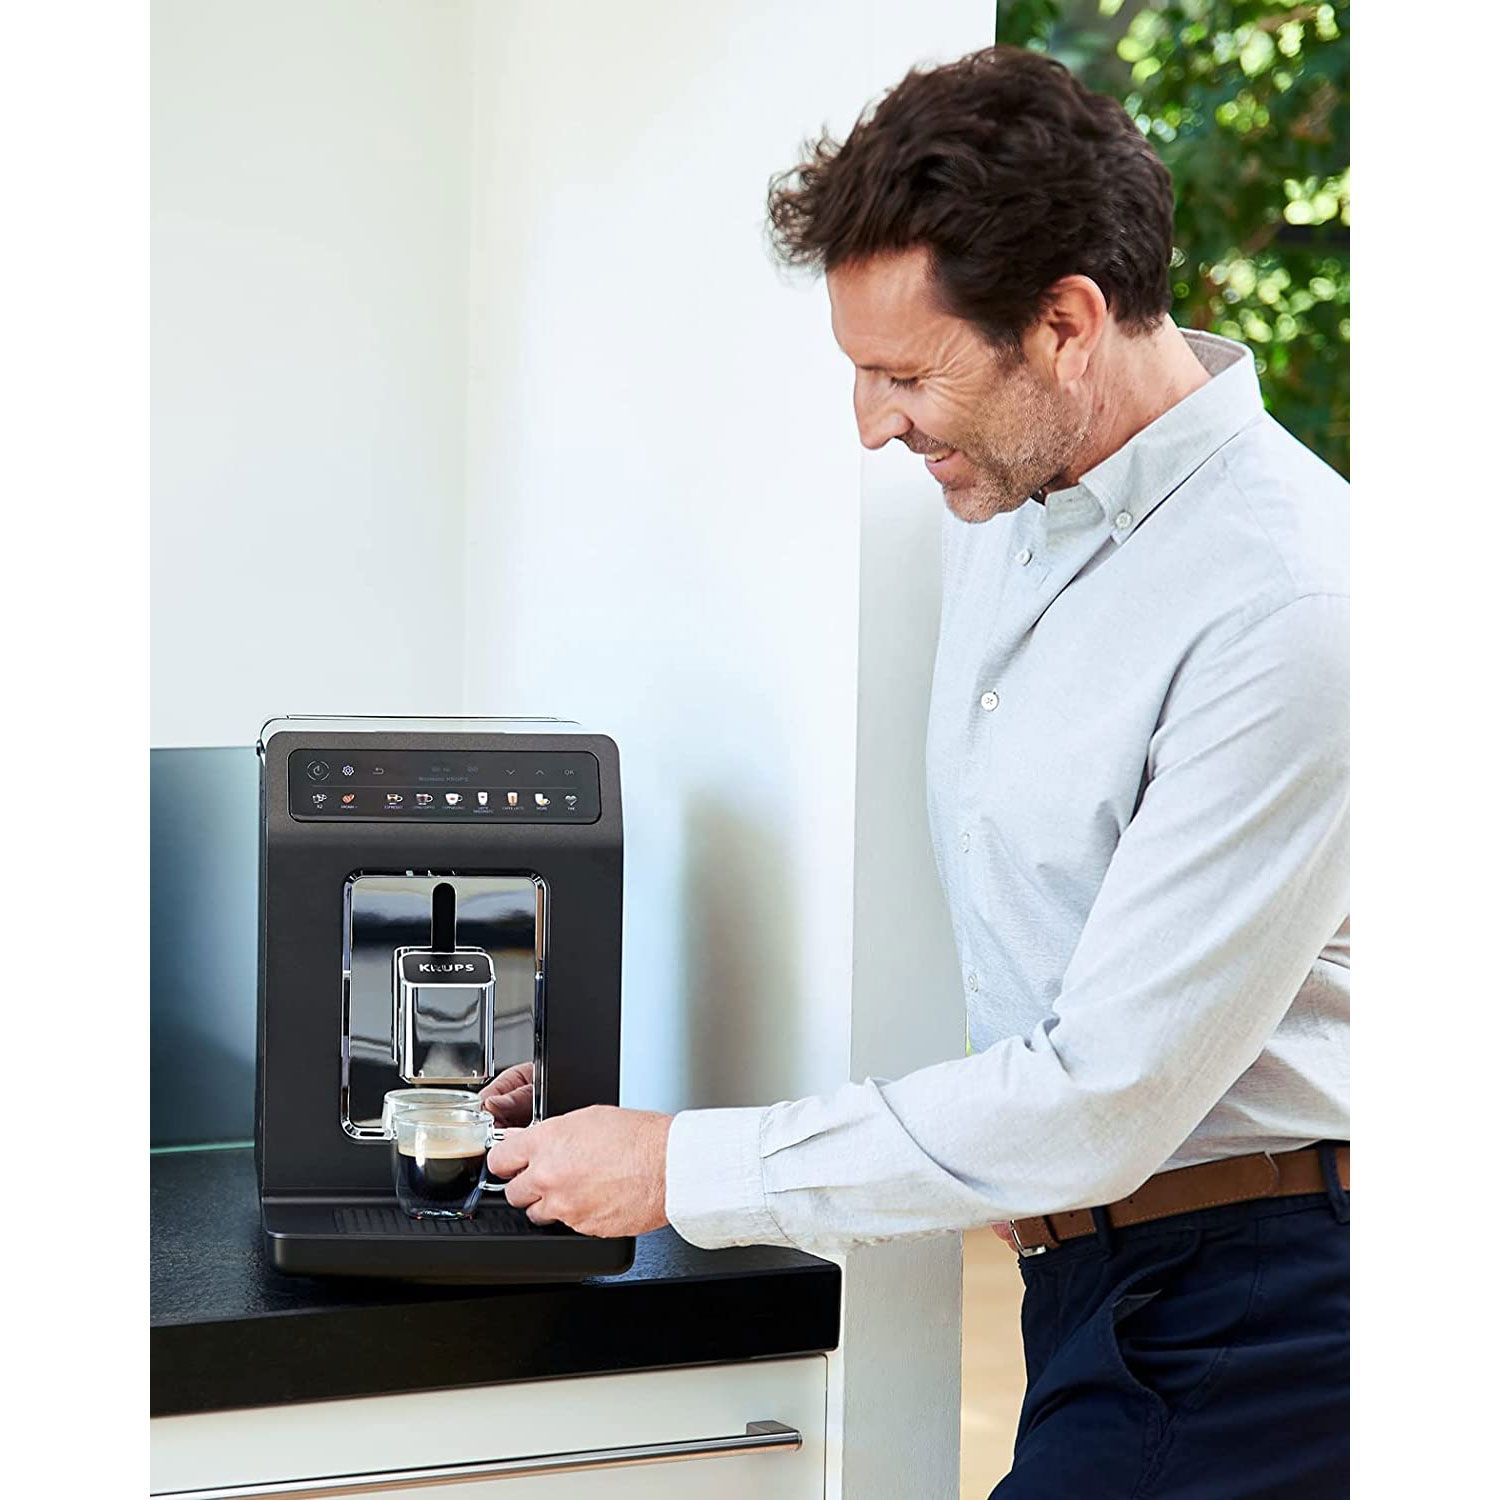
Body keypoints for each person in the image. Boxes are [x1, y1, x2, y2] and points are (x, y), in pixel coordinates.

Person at [483, 45, 1349, 1499]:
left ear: (1066, 323)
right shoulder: (1014, 502)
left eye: (905, 373)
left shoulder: (1293, 608)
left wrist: (678, 1165)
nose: (872, 423)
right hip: (1100, 1290)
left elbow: (1103, 1095)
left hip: (1272, 1317)